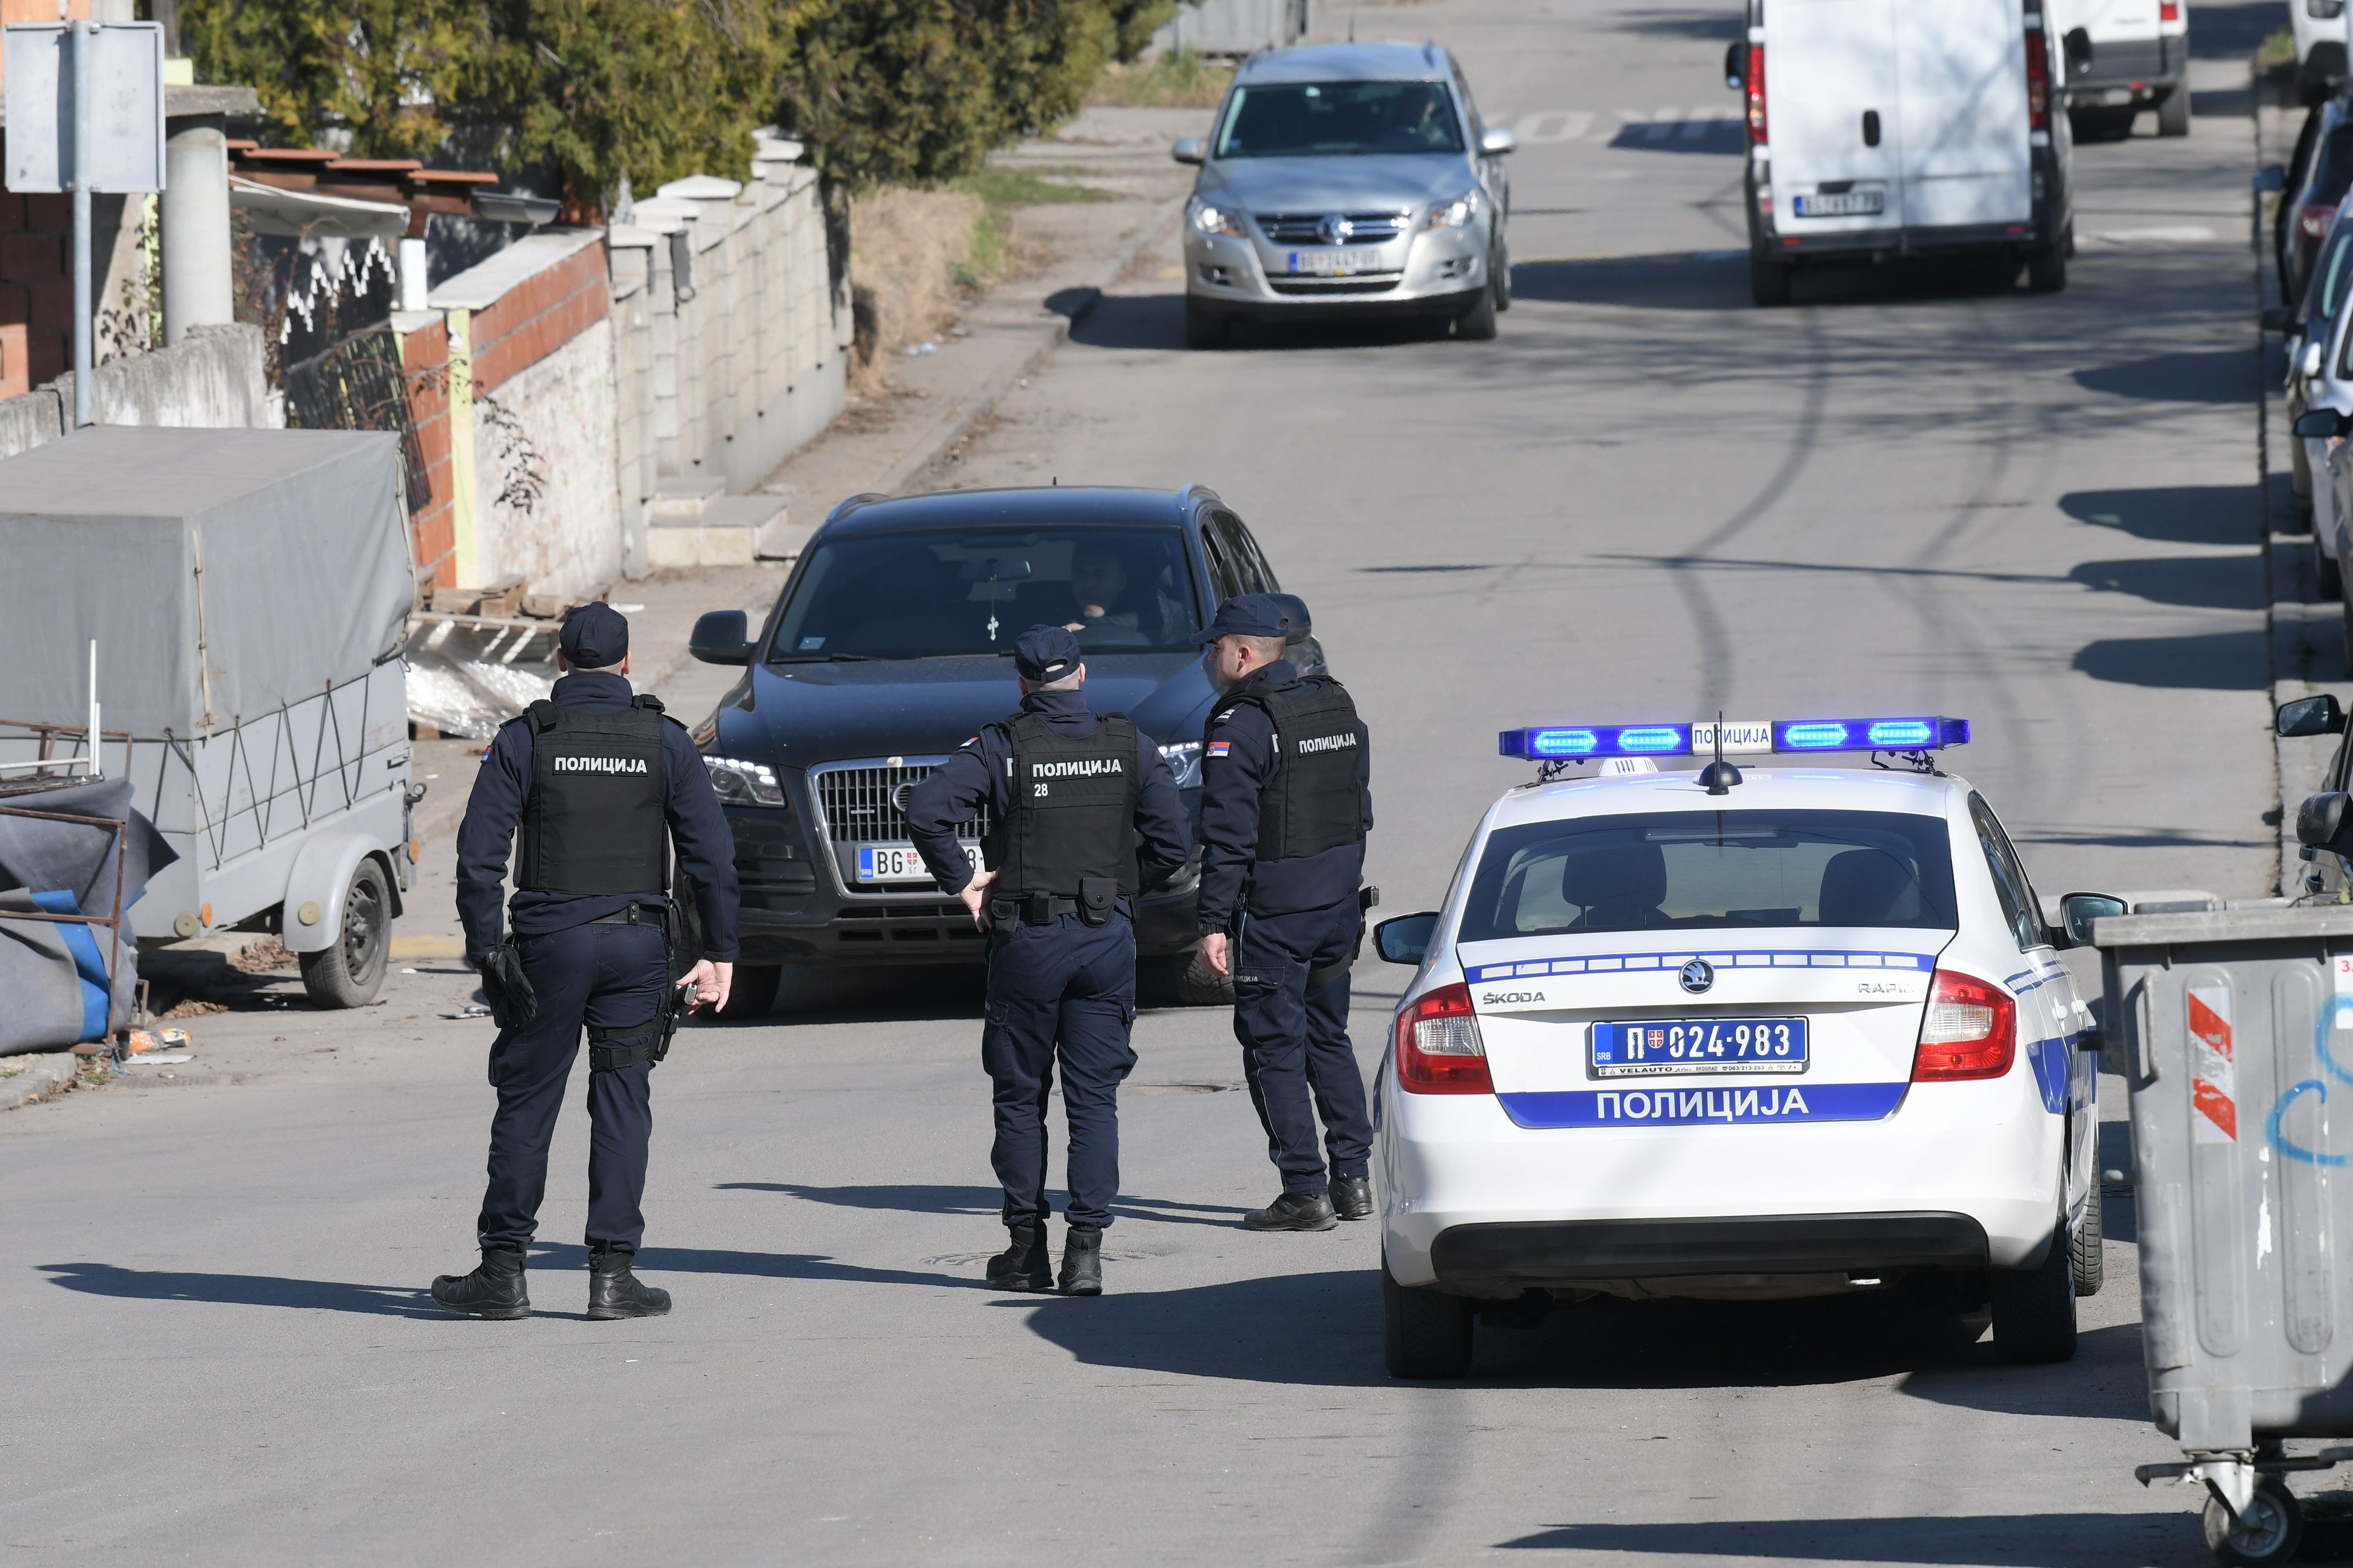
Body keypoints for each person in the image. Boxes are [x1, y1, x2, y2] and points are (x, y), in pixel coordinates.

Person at [435, 602, 740, 1321]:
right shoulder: (663, 739)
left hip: (549, 946)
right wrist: (719, 951)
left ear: (561, 661)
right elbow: (712, 856)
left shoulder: (527, 738)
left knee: (528, 1102)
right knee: (623, 1100)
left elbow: (478, 855)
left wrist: (487, 950)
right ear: (627, 662)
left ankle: (503, 1272)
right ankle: (613, 1276)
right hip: (637, 948)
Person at [906, 624, 1191, 1296]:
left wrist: (964, 881)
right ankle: (1085, 1254)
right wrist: (1118, 889)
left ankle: (1025, 1251)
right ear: (1083, 675)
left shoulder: (1002, 746)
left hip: (1029, 941)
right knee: (1094, 1101)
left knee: (1019, 1097)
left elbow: (925, 809)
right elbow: (1175, 842)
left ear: (1023, 684)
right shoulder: (1128, 742)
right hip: (1104, 939)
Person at [1193, 593, 1376, 1233]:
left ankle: (1304, 1191)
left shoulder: (1242, 725)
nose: (1210, 657)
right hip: (1337, 908)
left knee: (1273, 1048)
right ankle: (1353, 1179)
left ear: (1244, 653)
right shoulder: (1336, 706)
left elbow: (1228, 838)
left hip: (1277, 917)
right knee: (1328, 1038)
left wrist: (1212, 923)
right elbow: (1360, 812)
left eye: (1216, 647)